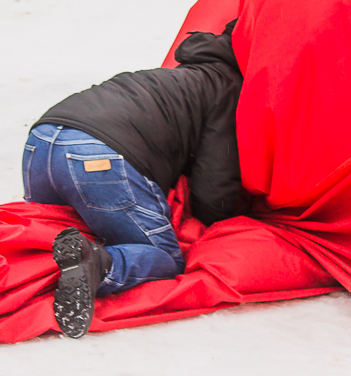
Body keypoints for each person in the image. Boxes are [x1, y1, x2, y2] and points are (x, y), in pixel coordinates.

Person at [23, 19, 245, 338]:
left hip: (41, 142)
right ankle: (101, 264)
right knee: (163, 259)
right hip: (97, 156)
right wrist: (223, 224)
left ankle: (60, 270)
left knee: (49, 238)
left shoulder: (179, 77)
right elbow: (215, 183)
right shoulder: (227, 88)